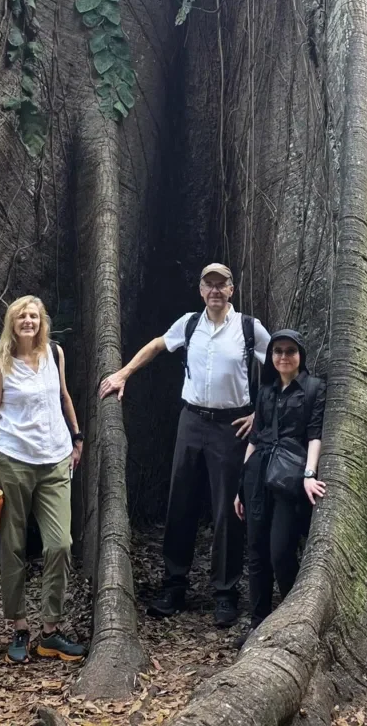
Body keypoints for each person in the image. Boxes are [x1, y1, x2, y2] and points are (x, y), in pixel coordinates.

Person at [99, 263, 270, 627]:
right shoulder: (189, 324)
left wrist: (260, 413)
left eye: (221, 284)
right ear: (201, 290)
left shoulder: (248, 328)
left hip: (231, 425)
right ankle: (174, 585)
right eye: (209, 284)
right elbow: (157, 345)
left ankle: (225, 593)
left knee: (227, 509)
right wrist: (123, 373)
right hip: (191, 421)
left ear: (232, 289)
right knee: (181, 502)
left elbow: (279, 364)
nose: (215, 290)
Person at [0, 295, 88, 665]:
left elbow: (64, 396)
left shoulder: (54, 353)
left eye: (34, 316)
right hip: (13, 459)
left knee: (60, 544)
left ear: (42, 321)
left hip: (55, 459)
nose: (28, 321)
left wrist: (77, 436)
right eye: (21, 316)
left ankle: (50, 630)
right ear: (12, 323)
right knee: (13, 544)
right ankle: (19, 626)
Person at [234, 329, 326, 635]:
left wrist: (309, 475)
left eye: (290, 351)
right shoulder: (266, 391)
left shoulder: (313, 388)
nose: (284, 357)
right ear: (271, 356)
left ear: (300, 355)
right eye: (278, 351)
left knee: (280, 552)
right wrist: (241, 488)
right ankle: (258, 624)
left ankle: (292, 618)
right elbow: (255, 438)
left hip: (288, 480)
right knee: (257, 552)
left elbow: (314, 435)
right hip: (258, 476)